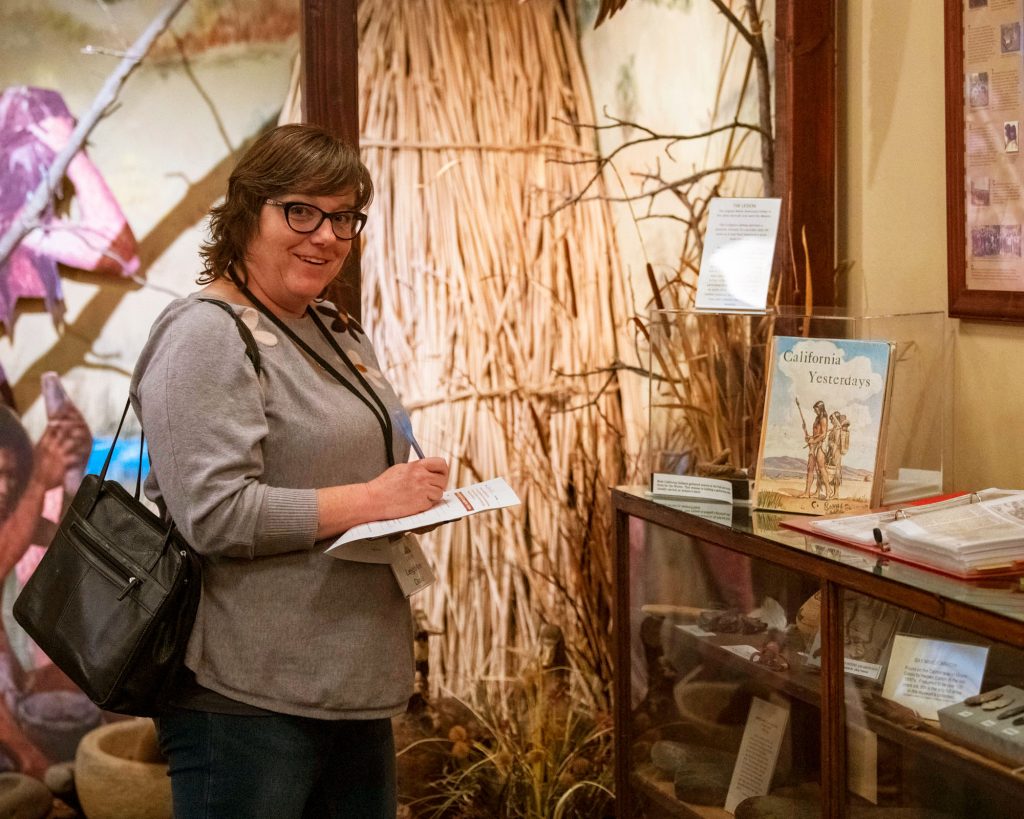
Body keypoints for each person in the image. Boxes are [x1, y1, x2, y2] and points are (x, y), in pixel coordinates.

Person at [130, 123, 449, 819]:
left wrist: (415, 488)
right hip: (248, 694)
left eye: (343, 217)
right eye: (300, 210)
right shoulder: (209, 335)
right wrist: (369, 498)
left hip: (349, 678)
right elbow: (214, 513)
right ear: (247, 211)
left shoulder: (334, 328)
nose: (325, 235)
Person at [801, 400, 829, 499]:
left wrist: (813, 441)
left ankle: (828, 492)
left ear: (821, 409)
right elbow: (816, 434)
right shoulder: (817, 418)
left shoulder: (823, 419)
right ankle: (807, 492)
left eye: (816, 410)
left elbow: (823, 434)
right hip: (814, 446)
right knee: (810, 468)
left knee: (821, 469)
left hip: (820, 446)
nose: (815, 412)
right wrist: (809, 437)